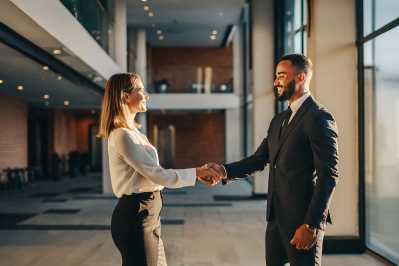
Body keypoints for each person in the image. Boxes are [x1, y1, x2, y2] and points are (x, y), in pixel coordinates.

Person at [204, 54, 339, 266]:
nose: (276, 81)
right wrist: (223, 170)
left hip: (302, 221)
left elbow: (328, 175)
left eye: (281, 76)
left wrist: (311, 225)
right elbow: (259, 160)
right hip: (275, 220)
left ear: (301, 78)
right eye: (277, 76)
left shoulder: (319, 117)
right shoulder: (279, 120)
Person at [97, 73, 220, 266]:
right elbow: (156, 175)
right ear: (126, 96)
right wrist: (197, 172)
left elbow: (154, 174)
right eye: (142, 90)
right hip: (136, 214)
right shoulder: (122, 135)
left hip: (149, 213)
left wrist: (197, 171)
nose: (146, 96)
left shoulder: (134, 133)